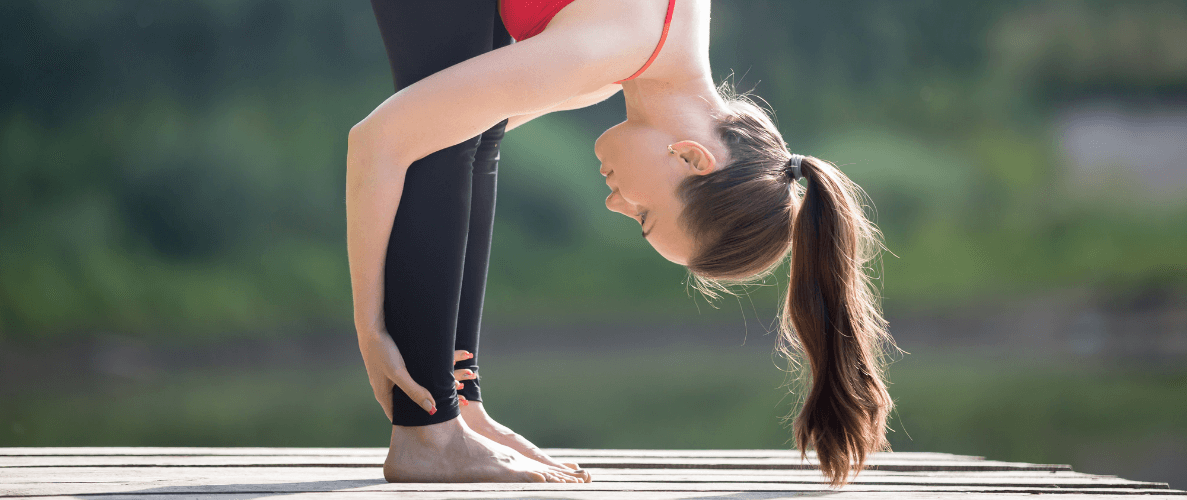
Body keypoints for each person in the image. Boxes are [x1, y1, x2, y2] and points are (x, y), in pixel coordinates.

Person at [350, 0, 894, 486]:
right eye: (645, 215)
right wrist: (371, 328)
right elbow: (381, 140)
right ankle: (427, 434)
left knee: (462, 134)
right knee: (444, 139)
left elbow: (457, 130)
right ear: (690, 158)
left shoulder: (646, 50)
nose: (617, 204)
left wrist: (459, 397)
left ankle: (451, 410)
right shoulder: (600, 53)